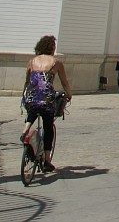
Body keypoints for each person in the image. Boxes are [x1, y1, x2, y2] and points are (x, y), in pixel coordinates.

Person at [21, 35, 71, 170]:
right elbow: (65, 82)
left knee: (33, 108)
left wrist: (25, 95)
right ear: (52, 48)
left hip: (31, 96)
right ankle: (47, 160)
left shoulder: (31, 62)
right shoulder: (56, 63)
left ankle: (26, 129)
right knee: (48, 127)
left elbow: (27, 81)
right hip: (46, 98)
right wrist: (69, 94)